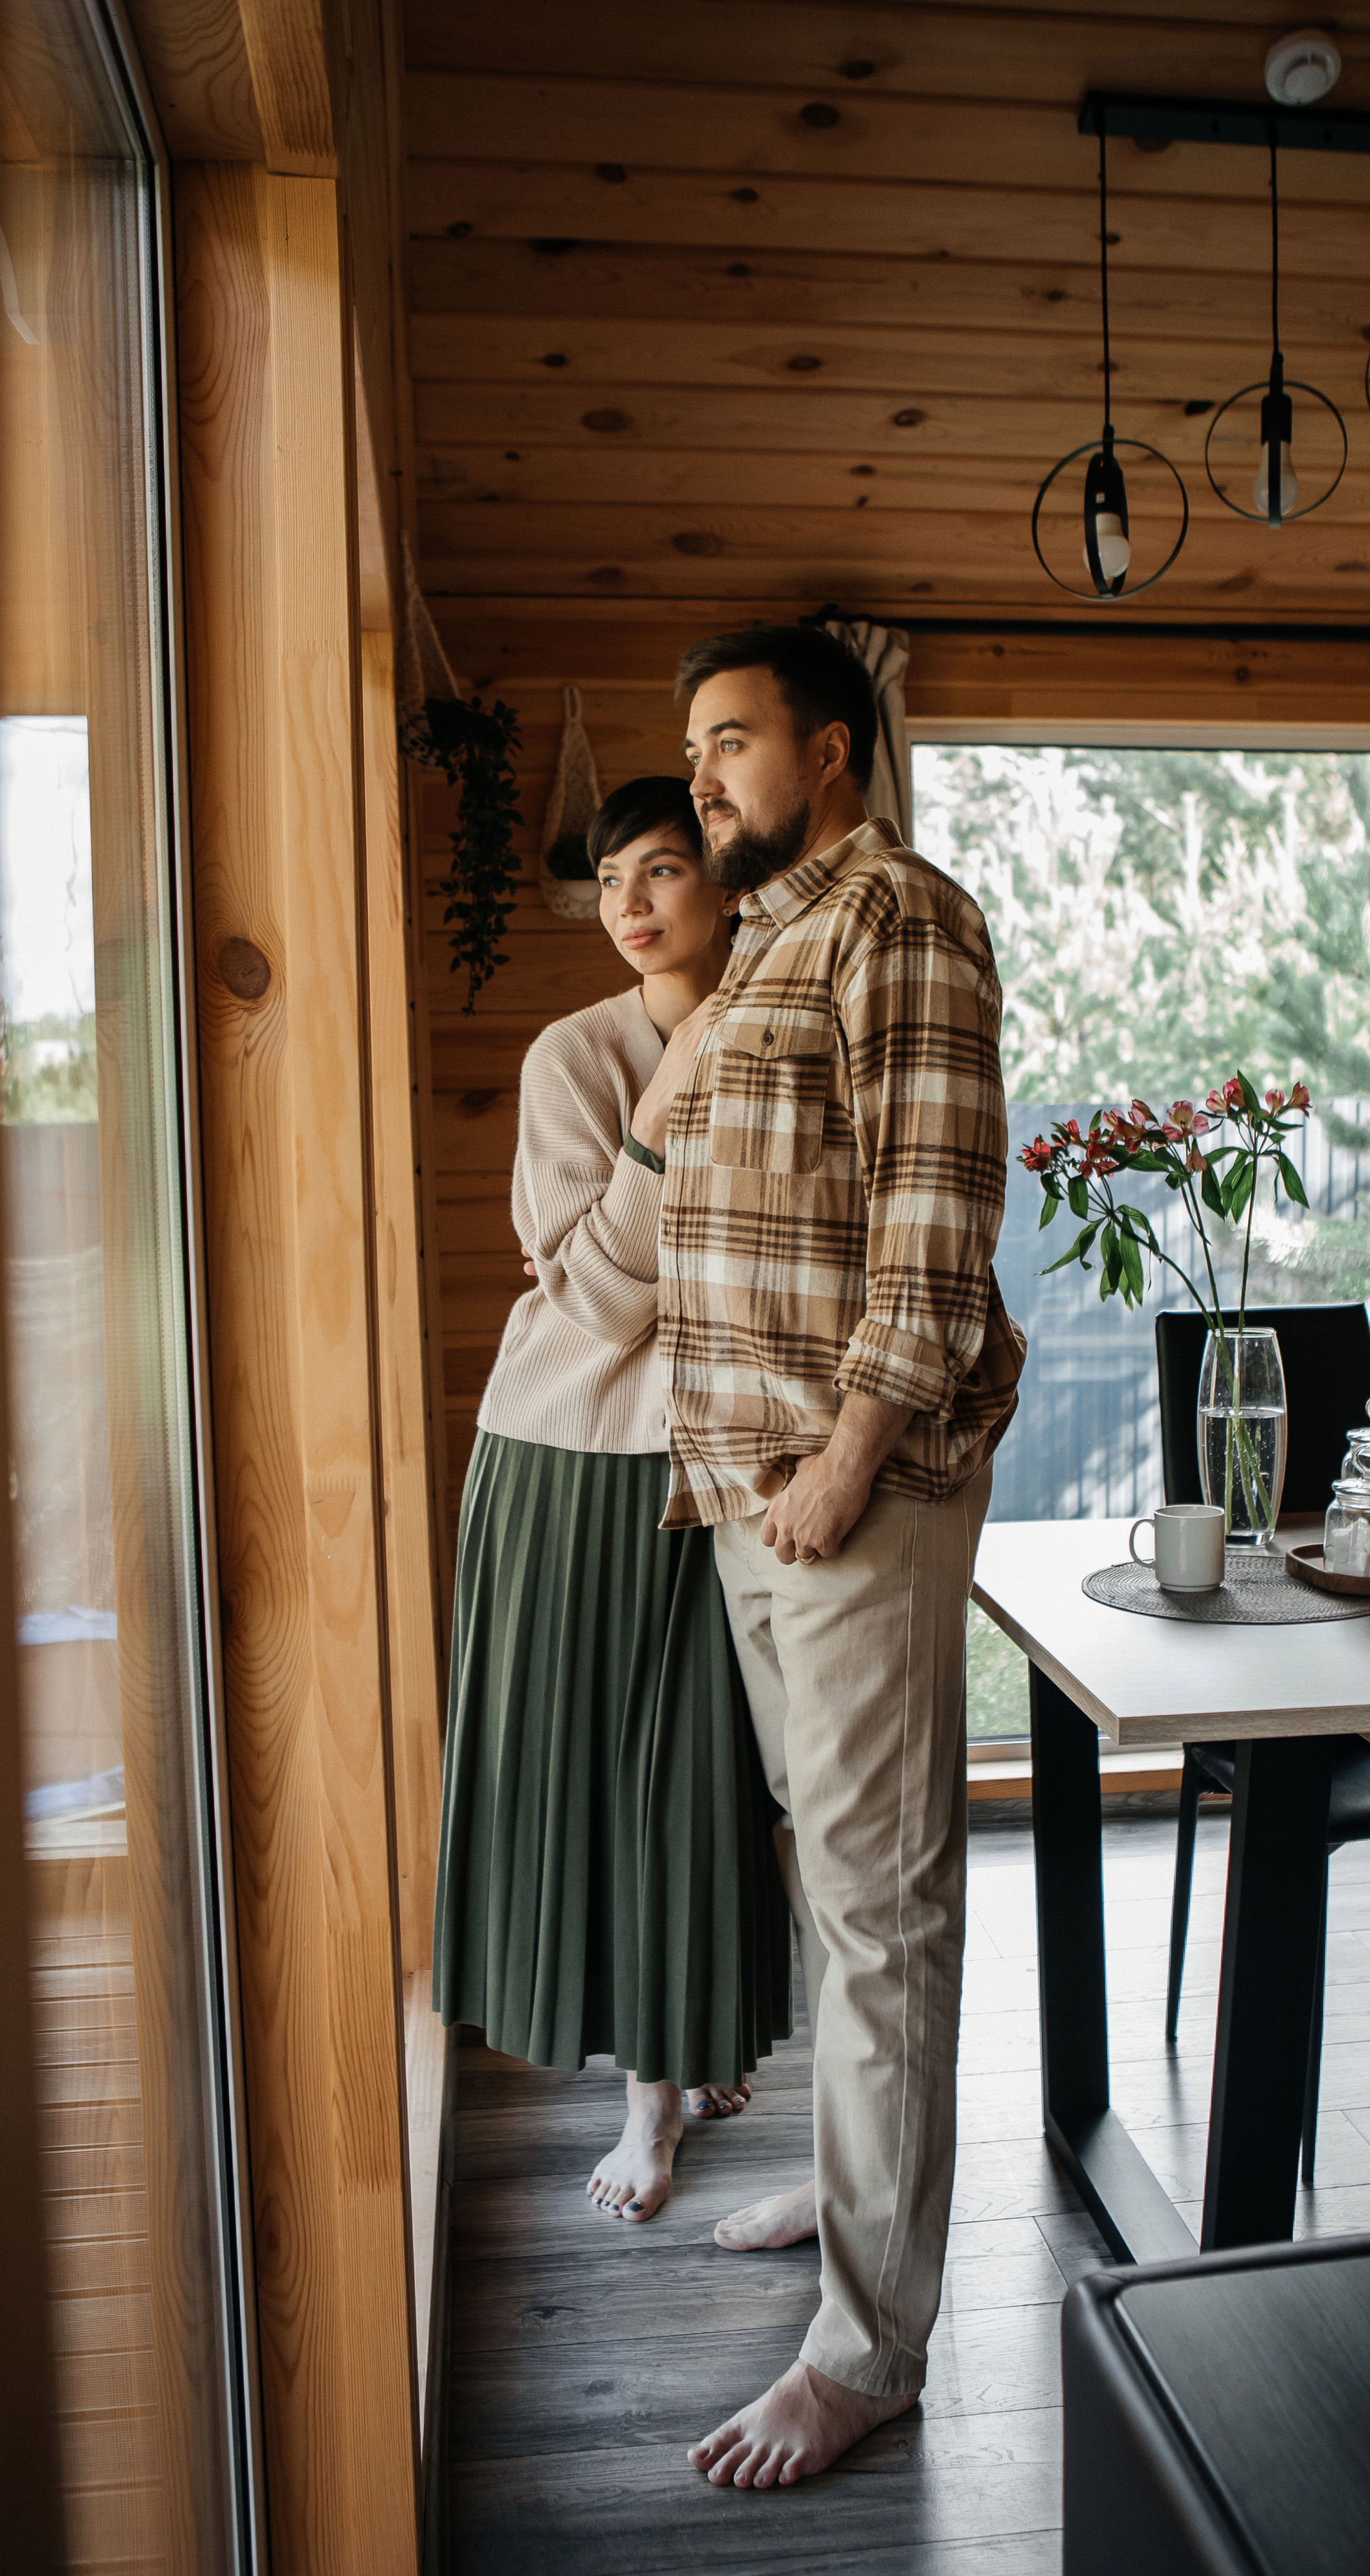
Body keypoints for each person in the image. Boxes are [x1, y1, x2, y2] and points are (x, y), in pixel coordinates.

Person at [656, 626, 1025, 2484]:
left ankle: (873, 2348)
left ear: (832, 750)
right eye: (695, 748)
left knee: (882, 1911)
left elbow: (937, 1219)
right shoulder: (766, 945)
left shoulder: (902, 919)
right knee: (834, 1881)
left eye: (733, 743)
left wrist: (854, 1452)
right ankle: (845, 2193)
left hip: (849, 1485)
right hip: (747, 1485)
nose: (705, 775)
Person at [434, 776, 793, 2224]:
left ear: (723, 881)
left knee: (701, 1780)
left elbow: (767, 1263)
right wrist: (668, 1094)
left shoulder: (786, 1032)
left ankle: (688, 2052)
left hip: (735, 1459)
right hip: (571, 1458)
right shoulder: (569, 1056)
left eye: (661, 871)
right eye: (608, 880)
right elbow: (585, 1293)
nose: (631, 905)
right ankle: (644, 2106)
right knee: (590, 1778)